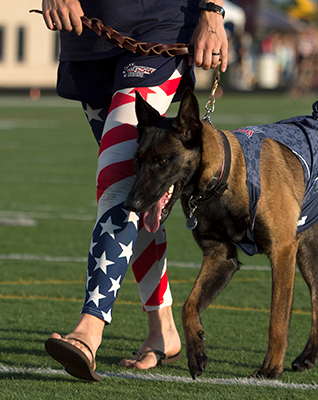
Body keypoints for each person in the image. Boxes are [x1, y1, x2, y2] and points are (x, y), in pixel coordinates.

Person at [39, 0, 228, 381]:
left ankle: (89, 329)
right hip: (87, 34)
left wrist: (212, 9)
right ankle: (163, 330)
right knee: (142, 187)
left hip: (158, 29)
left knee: (121, 182)